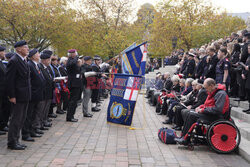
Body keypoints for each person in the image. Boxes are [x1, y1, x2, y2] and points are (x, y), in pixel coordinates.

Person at [175, 78, 229, 144]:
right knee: (189, 112)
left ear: (211, 86)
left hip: (217, 117)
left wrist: (203, 110)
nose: (206, 90)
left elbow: (217, 109)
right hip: (211, 114)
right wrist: (200, 107)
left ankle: (186, 139)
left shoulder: (221, 94)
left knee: (191, 115)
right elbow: (207, 104)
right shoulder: (213, 92)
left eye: (206, 88)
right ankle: (184, 136)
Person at [6, 40, 31, 150]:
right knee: (16, 119)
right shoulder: (14, 61)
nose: (27, 49)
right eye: (25, 47)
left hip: (25, 95)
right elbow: (10, 81)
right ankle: (12, 142)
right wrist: (12, 96)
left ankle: (16, 139)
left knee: (21, 118)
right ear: (18, 49)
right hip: (18, 95)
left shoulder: (23, 60)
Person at [22, 49, 46, 142]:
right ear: (32, 56)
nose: (39, 55)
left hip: (37, 93)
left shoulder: (36, 65)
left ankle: (32, 130)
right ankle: (26, 133)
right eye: (37, 54)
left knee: (34, 113)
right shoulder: (30, 65)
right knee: (29, 114)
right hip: (33, 93)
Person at [38, 50, 54, 130]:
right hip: (44, 92)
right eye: (49, 60)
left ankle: (43, 121)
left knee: (45, 109)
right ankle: (39, 124)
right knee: (41, 110)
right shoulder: (40, 67)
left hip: (48, 91)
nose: (50, 61)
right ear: (44, 60)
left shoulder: (46, 68)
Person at [66, 49, 82, 122]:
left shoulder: (73, 61)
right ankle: (70, 116)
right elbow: (71, 64)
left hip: (77, 83)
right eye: (75, 53)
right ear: (72, 54)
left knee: (74, 101)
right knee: (72, 101)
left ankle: (71, 115)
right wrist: (76, 58)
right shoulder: (70, 60)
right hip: (73, 84)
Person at [0, 46, 7, 135]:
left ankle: (2, 125)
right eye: (3, 52)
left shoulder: (1, 62)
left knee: (3, 108)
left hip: (3, 90)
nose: (4, 53)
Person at [242, 43, 250, 113]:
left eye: (249, 48)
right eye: (248, 48)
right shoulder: (248, 56)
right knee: (247, 90)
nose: (248, 50)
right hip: (247, 76)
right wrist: (243, 73)